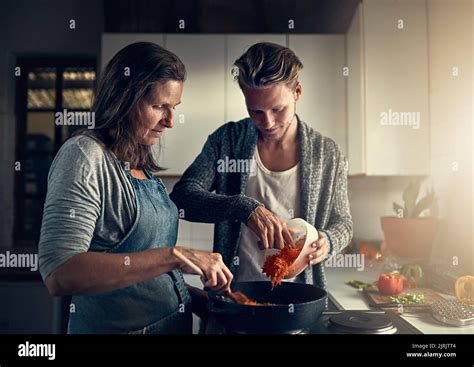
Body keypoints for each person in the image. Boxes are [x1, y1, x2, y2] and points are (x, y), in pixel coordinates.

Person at [38, 42, 232, 334]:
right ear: (123, 98)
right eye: (158, 106)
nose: (169, 122)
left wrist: (198, 302)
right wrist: (175, 255)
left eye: (173, 108)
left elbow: (143, 276)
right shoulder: (84, 156)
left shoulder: (138, 161)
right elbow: (60, 273)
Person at [170, 42, 353, 288]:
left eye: (278, 109)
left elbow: (344, 222)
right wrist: (243, 208)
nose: (267, 122)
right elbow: (183, 197)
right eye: (255, 111)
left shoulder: (327, 153)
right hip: (234, 292)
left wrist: (328, 241)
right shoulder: (226, 140)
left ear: (297, 92)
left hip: (300, 294)